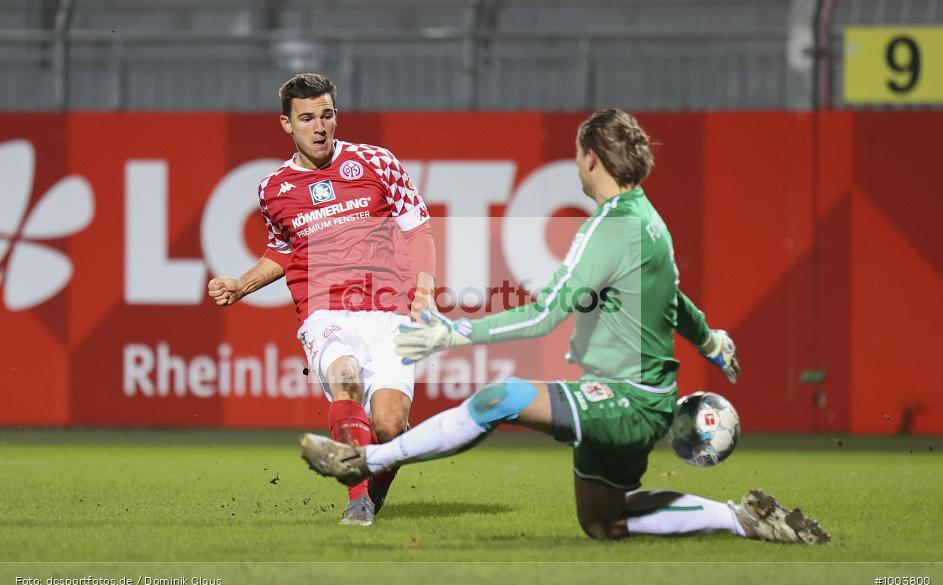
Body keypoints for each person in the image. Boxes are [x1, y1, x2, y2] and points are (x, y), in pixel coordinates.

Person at [299, 108, 829, 544]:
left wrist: (454, 333)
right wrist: (710, 340)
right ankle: (743, 518)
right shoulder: (646, 219)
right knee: (605, 521)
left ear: (591, 157)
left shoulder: (611, 227)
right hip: (638, 396)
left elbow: (544, 314)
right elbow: (673, 299)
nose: (576, 164)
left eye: (578, 155)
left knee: (500, 398)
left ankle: (365, 461)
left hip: (628, 398)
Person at [208, 73, 435, 526]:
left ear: (336, 117)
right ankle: (357, 502)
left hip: (389, 311)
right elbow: (284, 250)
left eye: (326, 115)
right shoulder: (273, 188)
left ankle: (374, 485)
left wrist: (424, 288)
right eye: (307, 118)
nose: (319, 127)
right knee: (344, 376)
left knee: (390, 426)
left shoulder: (377, 162)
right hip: (326, 310)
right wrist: (241, 284)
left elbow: (417, 229)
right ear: (286, 124)